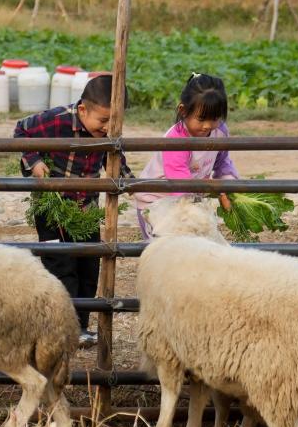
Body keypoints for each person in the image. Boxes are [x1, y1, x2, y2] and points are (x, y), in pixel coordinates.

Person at [14, 74, 130, 348]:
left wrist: (127, 180)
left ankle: (79, 328)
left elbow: (116, 156)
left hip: (86, 208)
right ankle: (60, 326)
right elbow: (21, 130)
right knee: (61, 266)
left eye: (114, 122)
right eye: (103, 121)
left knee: (89, 265)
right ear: (82, 110)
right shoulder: (58, 119)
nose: (107, 128)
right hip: (52, 207)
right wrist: (33, 160)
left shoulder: (108, 133)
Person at [134, 73, 238, 238]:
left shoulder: (220, 132)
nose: (207, 126)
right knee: (167, 251)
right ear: (183, 111)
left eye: (215, 119)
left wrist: (229, 184)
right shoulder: (176, 140)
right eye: (202, 119)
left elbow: (222, 161)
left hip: (188, 199)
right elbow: (179, 181)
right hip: (158, 201)